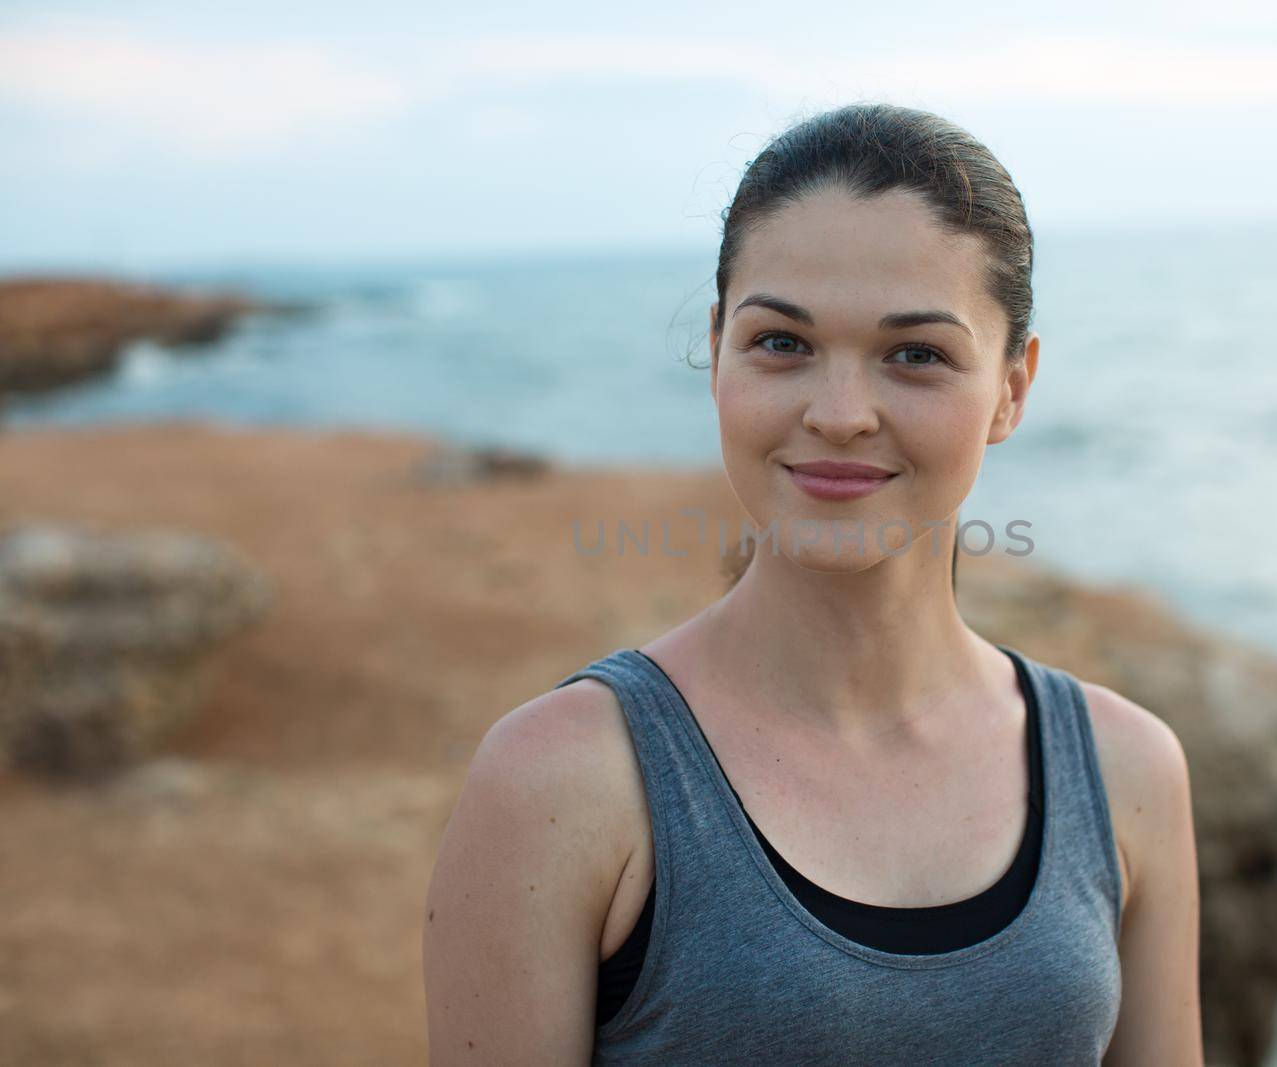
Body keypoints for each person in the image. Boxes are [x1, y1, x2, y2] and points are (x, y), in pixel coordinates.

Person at [423, 102, 1202, 1066]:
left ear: (1012, 387)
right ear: (717, 351)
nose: (839, 415)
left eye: (916, 354)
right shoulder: (560, 781)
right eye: (782, 343)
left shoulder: (1127, 772)